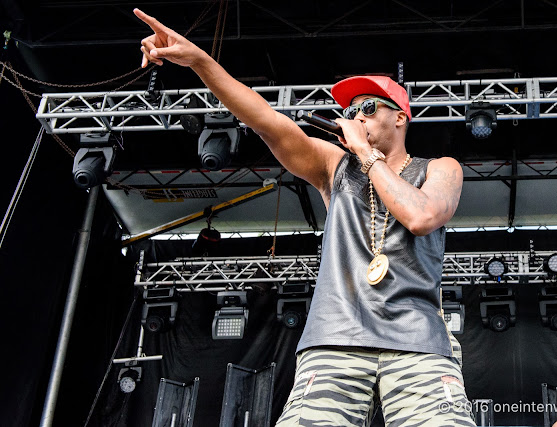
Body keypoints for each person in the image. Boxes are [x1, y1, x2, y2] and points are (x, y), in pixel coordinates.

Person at [135, 8, 474, 426]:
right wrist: (200, 62)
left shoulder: (441, 168)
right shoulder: (334, 165)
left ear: (401, 117)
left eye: (368, 107)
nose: (357, 117)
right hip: (336, 341)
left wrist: (368, 156)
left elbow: (421, 216)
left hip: (419, 341)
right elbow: (265, 120)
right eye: (351, 112)